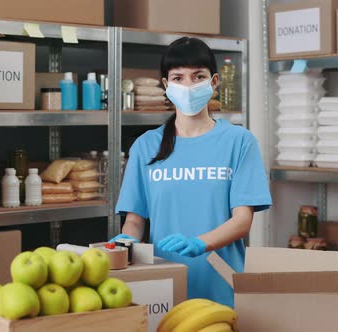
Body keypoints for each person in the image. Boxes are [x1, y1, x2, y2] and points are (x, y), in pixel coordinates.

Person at [112, 37, 272, 307]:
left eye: (198, 76)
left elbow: (242, 221)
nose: (188, 85)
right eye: (178, 77)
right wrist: (125, 242)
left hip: (222, 288)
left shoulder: (239, 142)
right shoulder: (146, 146)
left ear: (214, 82)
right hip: (162, 287)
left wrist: (201, 243)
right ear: (166, 85)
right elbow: (136, 221)